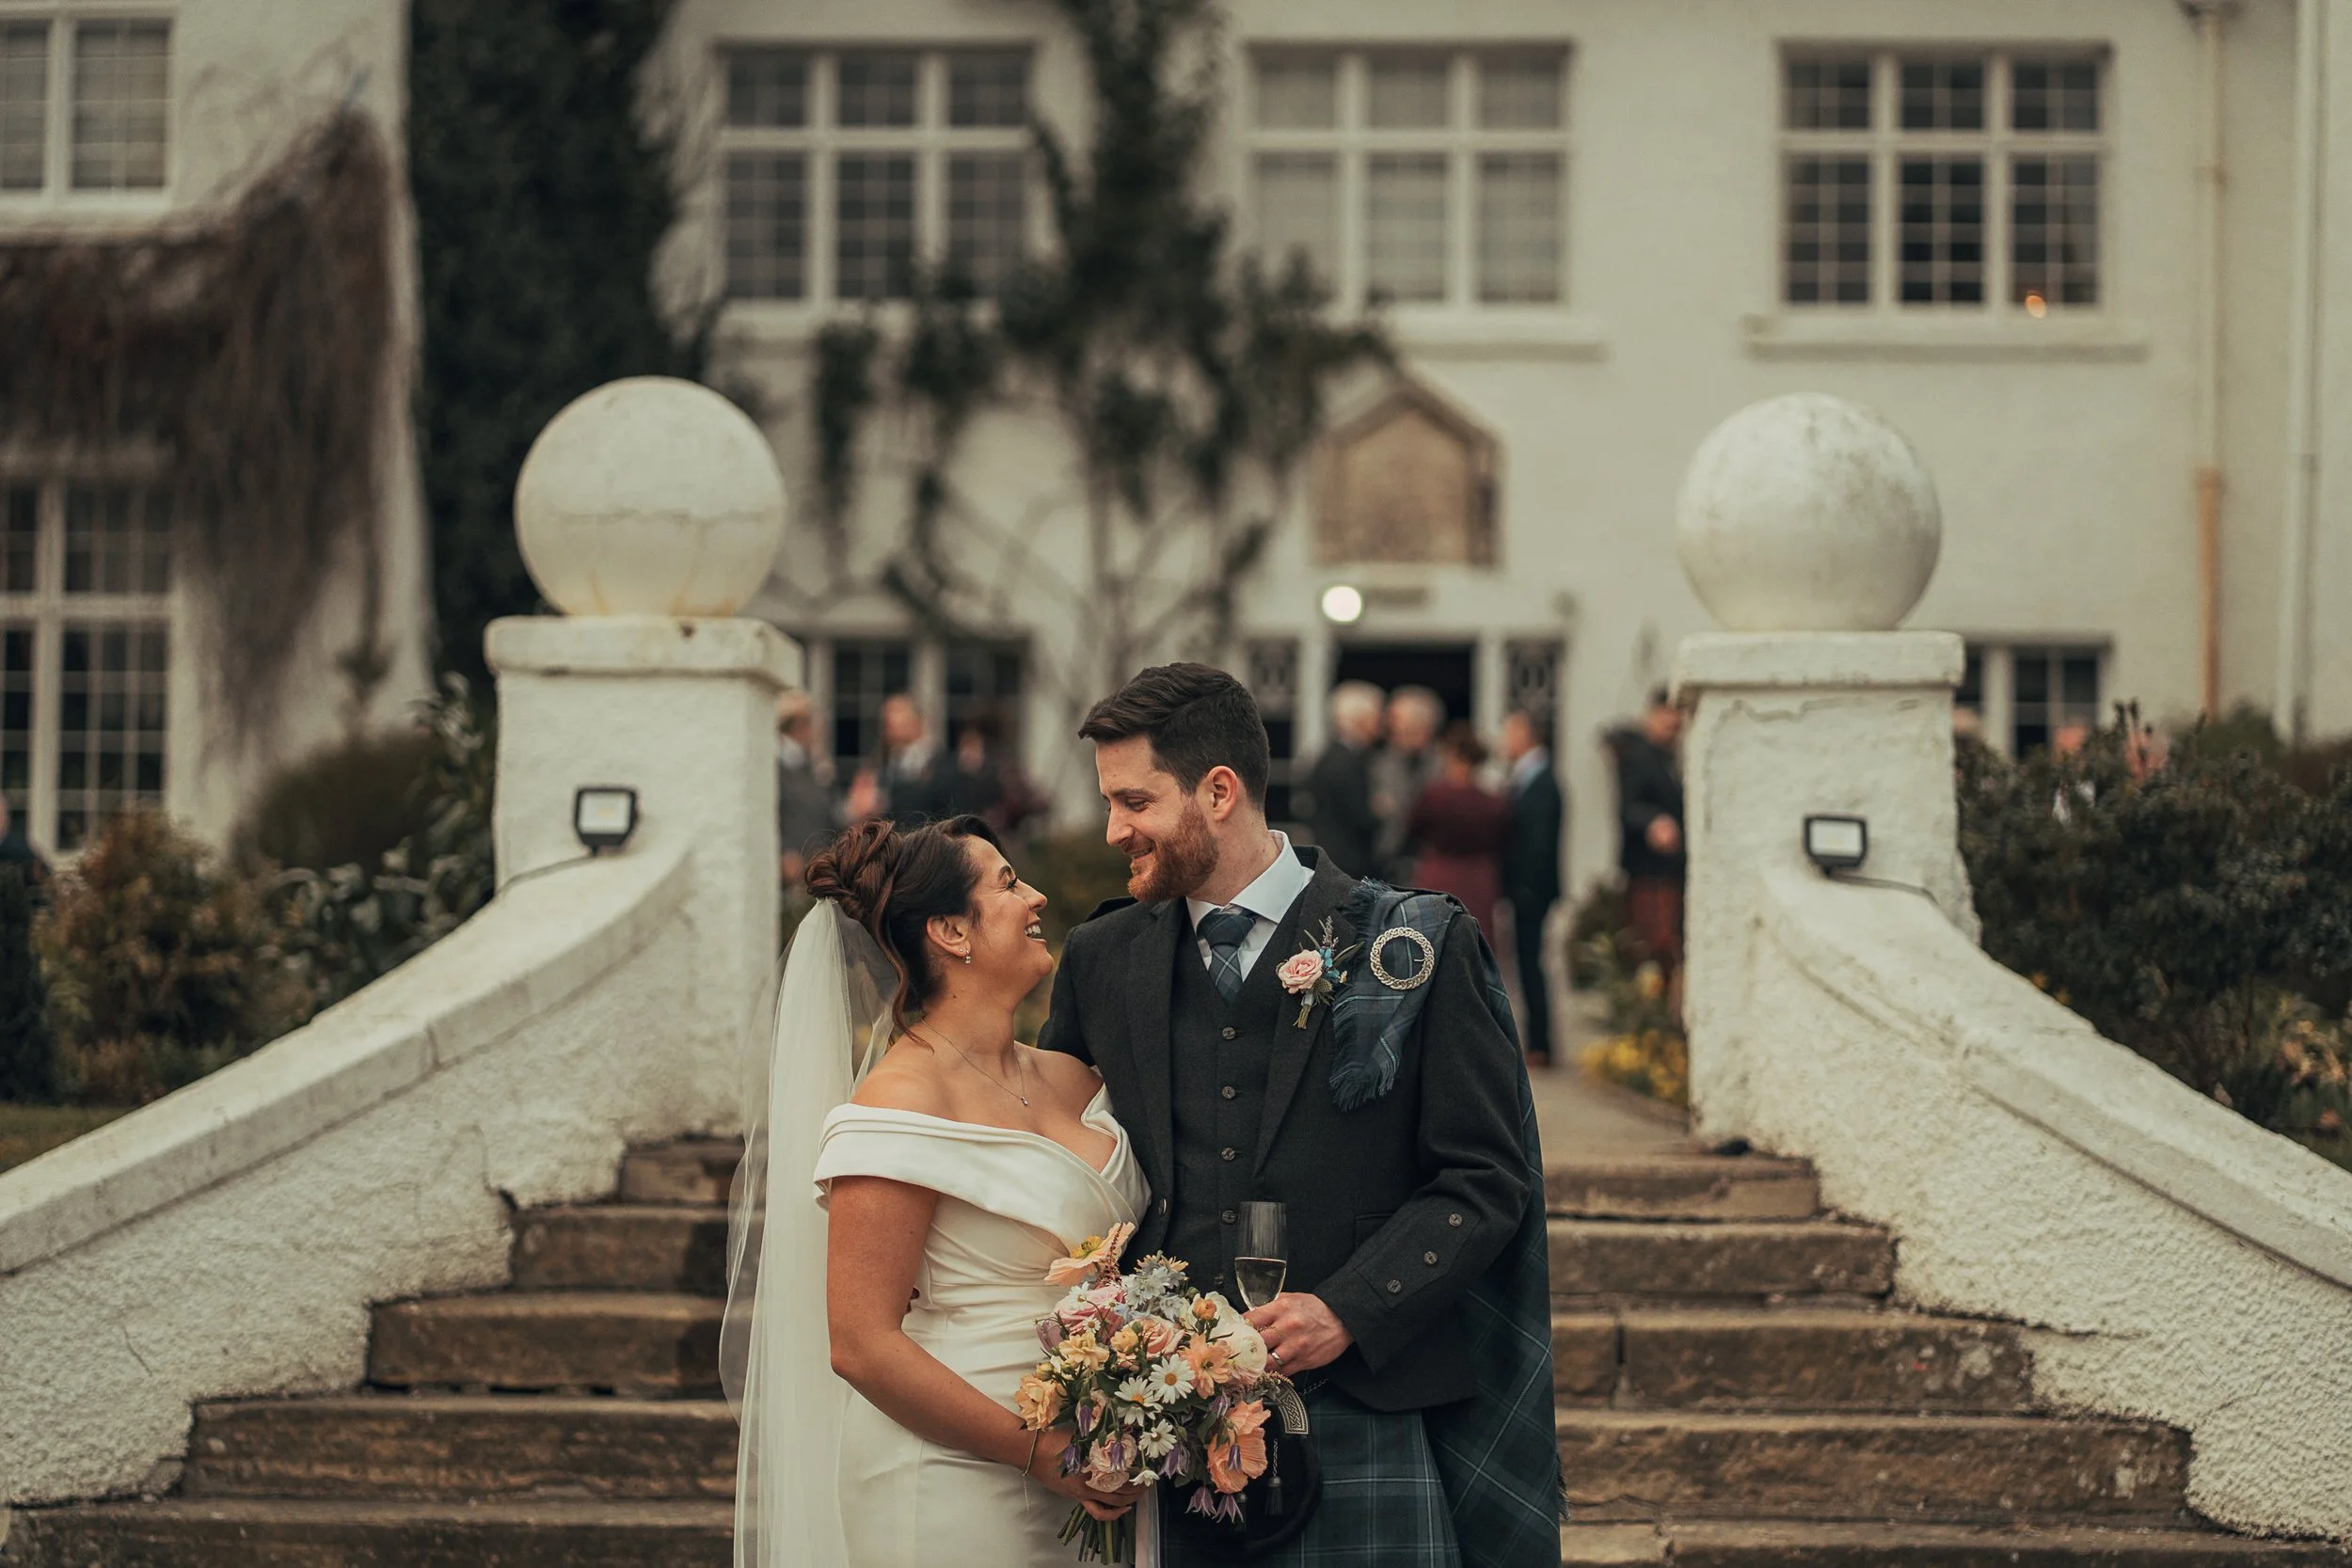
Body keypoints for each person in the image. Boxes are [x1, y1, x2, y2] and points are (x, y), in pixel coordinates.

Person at [1041, 663, 1560, 1568]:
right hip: (1170, 1429)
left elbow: (1485, 1177)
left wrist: (1350, 1308)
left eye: (1134, 800)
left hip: (1368, 1407)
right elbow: (1054, 1149)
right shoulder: (1101, 956)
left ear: (1218, 790)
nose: (1115, 828)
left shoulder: (1415, 942)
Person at [724, 815, 1151, 1567]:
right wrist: (1043, 1454)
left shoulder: (1074, 1077)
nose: (1037, 897)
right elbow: (861, 1344)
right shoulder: (898, 1104)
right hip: (952, 1474)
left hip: (1092, 1465)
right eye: (1010, 883)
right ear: (952, 931)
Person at [1498, 709, 1564, 1068]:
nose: (1503, 741)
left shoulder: (1541, 780)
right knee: (1524, 963)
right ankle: (1536, 1039)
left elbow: (1537, 842)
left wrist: (1524, 886)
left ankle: (1540, 1043)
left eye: (1509, 733)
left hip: (1531, 889)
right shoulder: (1526, 776)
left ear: (1526, 735)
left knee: (1531, 962)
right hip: (1525, 888)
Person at [1405, 721, 1512, 937]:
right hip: (1481, 878)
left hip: (1440, 874)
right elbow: (1506, 838)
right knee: (1475, 939)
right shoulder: (1495, 801)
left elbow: (1413, 828)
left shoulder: (1435, 796)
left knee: (1434, 938)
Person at [1613, 688, 1686, 994]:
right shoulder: (1637, 757)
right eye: (1669, 717)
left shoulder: (1670, 758)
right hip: (1649, 874)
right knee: (1654, 949)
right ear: (1654, 715)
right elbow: (1629, 808)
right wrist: (1655, 822)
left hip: (1669, 872)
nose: (1674, 724)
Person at [1298, 680, 1385, 877]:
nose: (1381, 723)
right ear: (1360, 719)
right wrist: (1379, 813)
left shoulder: (1330, 756)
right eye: (1376, 717)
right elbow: (1360, 816)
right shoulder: (1347, 762)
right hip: (1347, 865)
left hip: (1332, 860)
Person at [1369, 684, 1443, 881]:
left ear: (1419, 724)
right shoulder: (1382, 761)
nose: (1387, 725)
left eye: (1394, 719)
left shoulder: (1444, 764)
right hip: (1388, 862)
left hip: (1431, 862)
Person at [774, 690, 836, 886]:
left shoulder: (810, 767)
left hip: (814, 870)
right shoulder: (775, 766)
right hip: (788, 875)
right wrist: (784, 851)